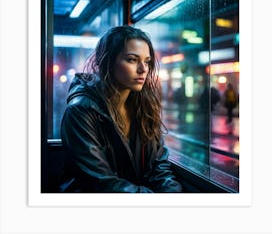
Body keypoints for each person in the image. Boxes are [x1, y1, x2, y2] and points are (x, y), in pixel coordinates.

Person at [60, 25, 183, 193]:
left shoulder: (143, 107)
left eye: (147, 62)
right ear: (108, 61)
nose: (143, 69)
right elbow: (100, 182)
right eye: (132, 60)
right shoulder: (81, 110)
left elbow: (159, 167)